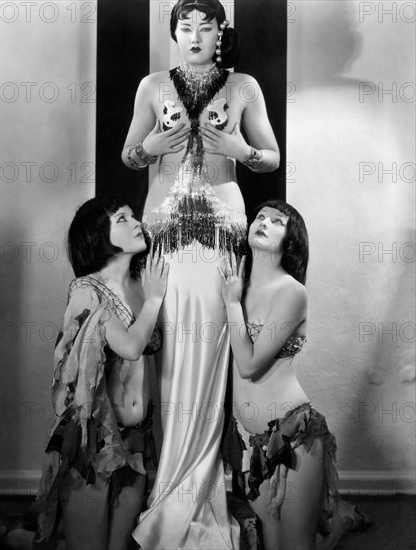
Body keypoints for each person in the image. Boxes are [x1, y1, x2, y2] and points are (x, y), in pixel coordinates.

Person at [122, 1, 279, 548]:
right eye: (184, 27)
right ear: (173, 34)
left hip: (218, 232)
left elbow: (271, 156)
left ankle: (201, 488)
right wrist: (149, 148)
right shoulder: (151, 86)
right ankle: (165, 485)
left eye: (204, 27)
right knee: (165, 356)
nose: (193, 35)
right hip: (164, 230)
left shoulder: (244, 88)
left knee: (210, 353)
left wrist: (240, 150)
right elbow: (129, 154)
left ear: (219, 33)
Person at [0, 195, 169, 550]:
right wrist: (154, 301)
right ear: (97, 236)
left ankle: (22, 539)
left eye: (134, 216)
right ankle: (20, 539)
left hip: (137, 442)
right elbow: (131, 346)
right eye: (123, 218)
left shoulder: (140, 284)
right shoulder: (86, 292)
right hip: (95, 446)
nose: (137, 222)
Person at [219, 200, 371, 550]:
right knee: (273, 541)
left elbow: (249, 364)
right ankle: (337, 520)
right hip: (249, 442)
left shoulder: (291, 292)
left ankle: (338, 522)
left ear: (291, 240)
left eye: (277, 222)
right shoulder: (237, 285)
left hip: (294, 438)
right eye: (260, 217)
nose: (264, 222)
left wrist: (230, 305)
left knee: (297, 547)